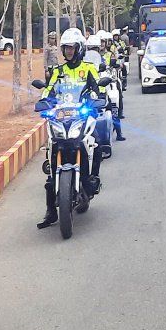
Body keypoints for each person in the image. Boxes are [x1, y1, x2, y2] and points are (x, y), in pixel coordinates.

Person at [37, 28, 104, 229]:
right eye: (65, 48)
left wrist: (100, 99)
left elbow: (98, 88)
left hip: (81, 117)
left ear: (79, 49)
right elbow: (48, 91)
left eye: (71, 48)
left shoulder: (89, 68)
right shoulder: (58, 71)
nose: (68, 52)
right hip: (62, 117)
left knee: (98, 143)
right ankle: (50, 210)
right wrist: (42, 102)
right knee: (51, 152)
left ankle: (92, 178)